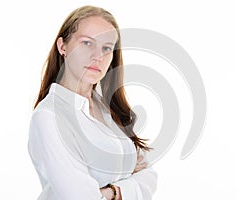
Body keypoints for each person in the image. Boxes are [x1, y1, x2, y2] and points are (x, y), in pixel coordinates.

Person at [28, 5, 157, 200]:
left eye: (106, 48)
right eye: (87, 43)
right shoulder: (49, 118)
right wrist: (128, 189)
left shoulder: (108, 108)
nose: (98, 56)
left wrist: (111, 192)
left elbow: (149, 175)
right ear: (63, 46)